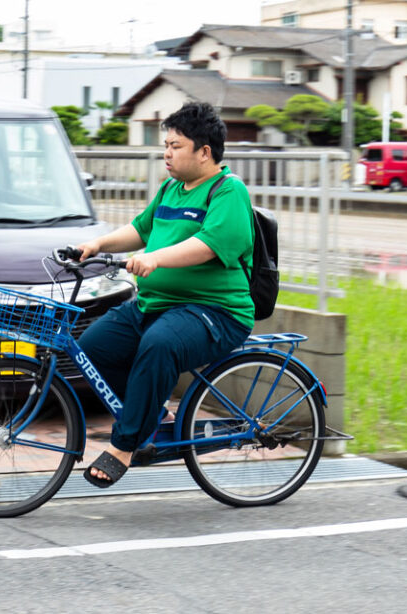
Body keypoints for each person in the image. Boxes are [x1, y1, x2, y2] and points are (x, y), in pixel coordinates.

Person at [77, 101, 255, 487]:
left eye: (175, 145)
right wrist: (97, 244)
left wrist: (155, 259)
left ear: (203, 151)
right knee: (92, 346)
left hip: (216, 312)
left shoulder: (228, 191)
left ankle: (128, 444)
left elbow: (209, 244)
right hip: (157, 305)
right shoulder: (171, 188)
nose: (166, 153)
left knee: (158, 345)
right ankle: (153, 416)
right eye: (166, 145)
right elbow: (140, 230)